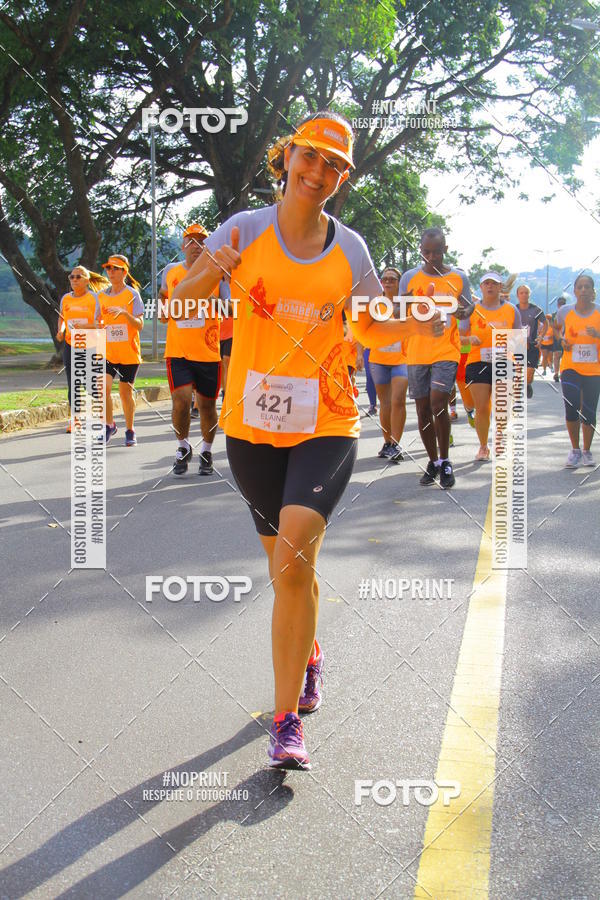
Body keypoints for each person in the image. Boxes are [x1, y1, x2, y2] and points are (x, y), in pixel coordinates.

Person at [172, 111, 442, 770]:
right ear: (287, 157)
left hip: (328, 421)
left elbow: (374, 329)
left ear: (342, 178)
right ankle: (311, 651)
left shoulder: (350, 249)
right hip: (253, 428)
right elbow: (183, 310)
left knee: (293, 555)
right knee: (285, 571)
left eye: (335, 166)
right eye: (311, 158)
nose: (319, 173)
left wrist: (417, 321)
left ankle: (287, 720)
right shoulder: (242, 230)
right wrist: (212, 267)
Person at [400, 227, 473, 489]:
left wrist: (464, 311)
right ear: (421, 251)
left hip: (446, 350)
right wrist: (404, 304)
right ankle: (434, 462)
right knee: (422, 412)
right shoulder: (409, 277)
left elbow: (466, 309)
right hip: (417, 352)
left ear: (446, 250)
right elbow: (399, 311)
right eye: (427, 252)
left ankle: (446, 459)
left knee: (438, 403)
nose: (432, 257)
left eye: (437, 252)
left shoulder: (458, 277)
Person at [160, 222, 221, 476]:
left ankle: (206, 450)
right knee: (181, 402)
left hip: (208, 351)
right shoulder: (171, 273)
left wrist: (207, 300)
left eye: (201, 242)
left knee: (207, 406)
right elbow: (163, 313)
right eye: (192, 241)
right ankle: (182, 447)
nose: (197, 246)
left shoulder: (217, 272)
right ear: (183, 245)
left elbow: (228, 309)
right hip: (178, 351)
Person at [460, 272, 522, 460]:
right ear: (481, 287)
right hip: (478, 361)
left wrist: (513, 343)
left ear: (500, 287)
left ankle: (500, 440)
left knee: (502, 406)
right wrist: (469, 339)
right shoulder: (471, 309)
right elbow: (459, 338)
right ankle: (483, 446)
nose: (490, 286)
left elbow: (520, 336)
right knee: (482, 408)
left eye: (494, 283)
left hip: (504, 361)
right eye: (486, 283)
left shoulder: (511, 310)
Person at [97, 254, 144, 445]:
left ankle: (130, 429)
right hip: (108, 352)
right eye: (108, 268)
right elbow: (97, 321)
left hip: (129, 353)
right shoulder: (101, 296)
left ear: (124, 271)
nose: (111, 271)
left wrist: (125, 314)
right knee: (103, 388)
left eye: (115, 268)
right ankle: (109, 425)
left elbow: (140, 324)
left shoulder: (132, 295)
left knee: (125, 394)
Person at [555, 273, 600, 467]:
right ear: (574, 291)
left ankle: (587, 451)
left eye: (587, 287)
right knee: (571, 407)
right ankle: (575, 450)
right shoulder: (565, 311)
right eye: (579, 287)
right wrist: (561, 339)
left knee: (589, 411)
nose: (583, 290)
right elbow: (556, 328)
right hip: (570, 367)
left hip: (594, 369)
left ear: (593, 292)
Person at [56, 266, 107, 432]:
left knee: (91, 385)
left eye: (78, 277)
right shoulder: (66, 299)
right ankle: (75, 420)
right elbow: (62, 317)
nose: (74, 280)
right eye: (72, 277)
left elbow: (102, 323)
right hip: (71, 345)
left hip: (91, 346)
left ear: (86, 280)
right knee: (73, 383)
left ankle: (100, 417)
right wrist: (61, 331)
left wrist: (86, 325)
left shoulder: (94, 298)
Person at [368, 267, 408, 462]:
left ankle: (396, 443)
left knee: (398, 400)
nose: (388, 282)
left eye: (392, 279)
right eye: (385, 279)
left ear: (399, 282)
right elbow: (363, 329)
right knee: (385, 403)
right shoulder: (375, 304)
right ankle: (387, 442)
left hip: (402, 359)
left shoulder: (407, 304)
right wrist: (359, 354)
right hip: (378, 359)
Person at [515, 283, 546, 398]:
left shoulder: (536, 309)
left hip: (532, 346)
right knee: (518, 373)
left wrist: (541, 337)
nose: (524, 295)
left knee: (529, 374)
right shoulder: (514, 309)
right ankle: (517, 397)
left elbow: (545, 323)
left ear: (529, 294)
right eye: (521, 293)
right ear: (517, 295)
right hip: (518, 346)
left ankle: (527, 384)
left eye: (526, 293)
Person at [553, 296, 568, 381]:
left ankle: (558, 373)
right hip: (560, 337)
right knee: (559, 355)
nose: (562, 305)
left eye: (563, 304)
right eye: (561, 304)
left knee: (558, 356)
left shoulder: (569, 313)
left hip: (563, 337)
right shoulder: (556, 314)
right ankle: (557, 373)